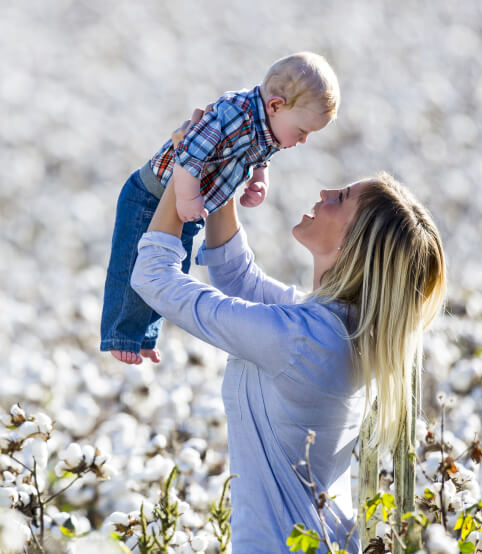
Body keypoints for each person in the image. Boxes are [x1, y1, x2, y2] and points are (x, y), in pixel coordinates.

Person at [129, 116, 446, 552]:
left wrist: (187, 166)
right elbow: (237, 277)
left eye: (340, 198)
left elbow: (153, 279)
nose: (324, 192)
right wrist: (224, 166)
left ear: (352, 245)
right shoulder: (336, 327)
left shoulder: (304, 338)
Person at [101, 52, 341, 365]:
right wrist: (186, 199)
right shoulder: (233, 115)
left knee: (175, 271)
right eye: (302, 132)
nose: (304, 140)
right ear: (276, 105)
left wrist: (258, 179)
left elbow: (259, 155)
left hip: (191, 206)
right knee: (132, 264)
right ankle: (120, 335)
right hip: (152, 194)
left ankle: (144, 336)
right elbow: (187, 153)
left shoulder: (270, 125)